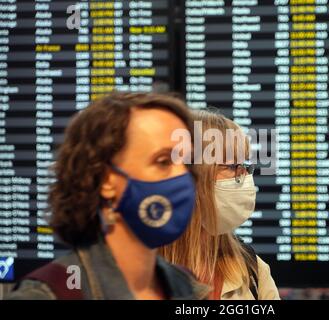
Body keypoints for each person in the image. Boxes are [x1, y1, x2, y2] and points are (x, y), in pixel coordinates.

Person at [7, 92, 208, 300]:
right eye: (163, 161)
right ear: (106, 180)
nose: (183, 175)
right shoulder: (46, 294)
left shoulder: (186, 288)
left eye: (187, 162)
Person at [160, 109, 280, 300]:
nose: (245, 177)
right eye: (233, 166)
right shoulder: (137, 272)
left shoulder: (253, 269)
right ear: (192, 175)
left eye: (246, 166)